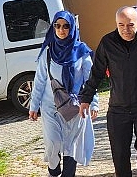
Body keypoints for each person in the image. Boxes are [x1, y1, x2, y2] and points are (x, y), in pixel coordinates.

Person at [79, 7, 137, 177]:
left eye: (130, 25)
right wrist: (86, 98)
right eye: (121, 25)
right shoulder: (107, 42)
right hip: (118, 109)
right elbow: (96, 72)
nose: (125, 30)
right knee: (120, 154)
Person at [29, 11, 97, 177]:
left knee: (70, 145)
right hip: (50, 107)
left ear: (72, 28)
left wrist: (93, 103)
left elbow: (90, 80)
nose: (61, 30)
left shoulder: (82, 51)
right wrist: (34, 106)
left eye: (66, 26)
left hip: (75, 107)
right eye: (57, 26)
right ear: (53, 28)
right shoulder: (48, 52)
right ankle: (53, 167)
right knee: (53, 143)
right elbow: (39, 81)